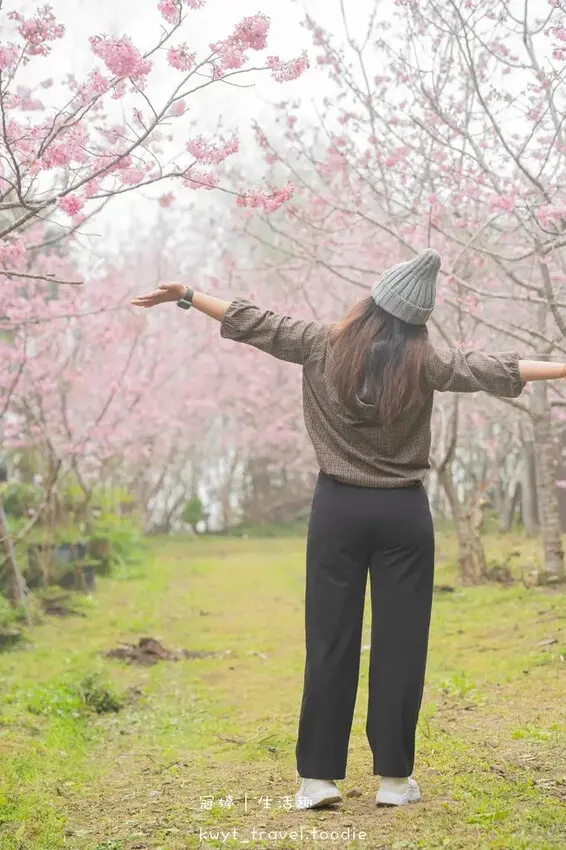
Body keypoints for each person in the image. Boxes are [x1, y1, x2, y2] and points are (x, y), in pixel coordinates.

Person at [132, 249, 566, 810]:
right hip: (403, 515)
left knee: (330, 640)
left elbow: (253, 319)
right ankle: (392, 781)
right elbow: (496, 368)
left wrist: (188, 294)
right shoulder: (426, 362)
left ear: (372, 302)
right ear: (418, 320)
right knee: (401, 645)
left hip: (336, 510)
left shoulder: (321, 342)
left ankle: (316, 779)